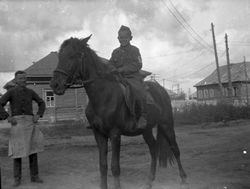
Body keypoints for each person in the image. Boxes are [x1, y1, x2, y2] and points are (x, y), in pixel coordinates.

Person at [0, 70, 45, 187]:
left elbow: (41, 103)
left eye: (25, 78)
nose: (23, 80)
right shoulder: (11, 92)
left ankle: (34, 176)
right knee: (17, 151)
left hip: (30, 123)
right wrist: (7, 117)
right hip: (17, 123)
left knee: (33, 150)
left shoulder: (30, 92)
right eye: (20, 78)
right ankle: (17, 179)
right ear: (16, 80)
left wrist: (38, 115)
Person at [109, 25, 147, 129]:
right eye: (121, 38)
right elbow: (110, 63)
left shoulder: (135, 50)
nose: (123, 40)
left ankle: (142, 116)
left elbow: (138, 64)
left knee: (137, 90)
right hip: (117, 77)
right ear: (118, 39)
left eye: (125, 37)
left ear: (130, 38)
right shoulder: (115, 52)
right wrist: (112, 69)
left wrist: (122, 69)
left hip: (132, 77)